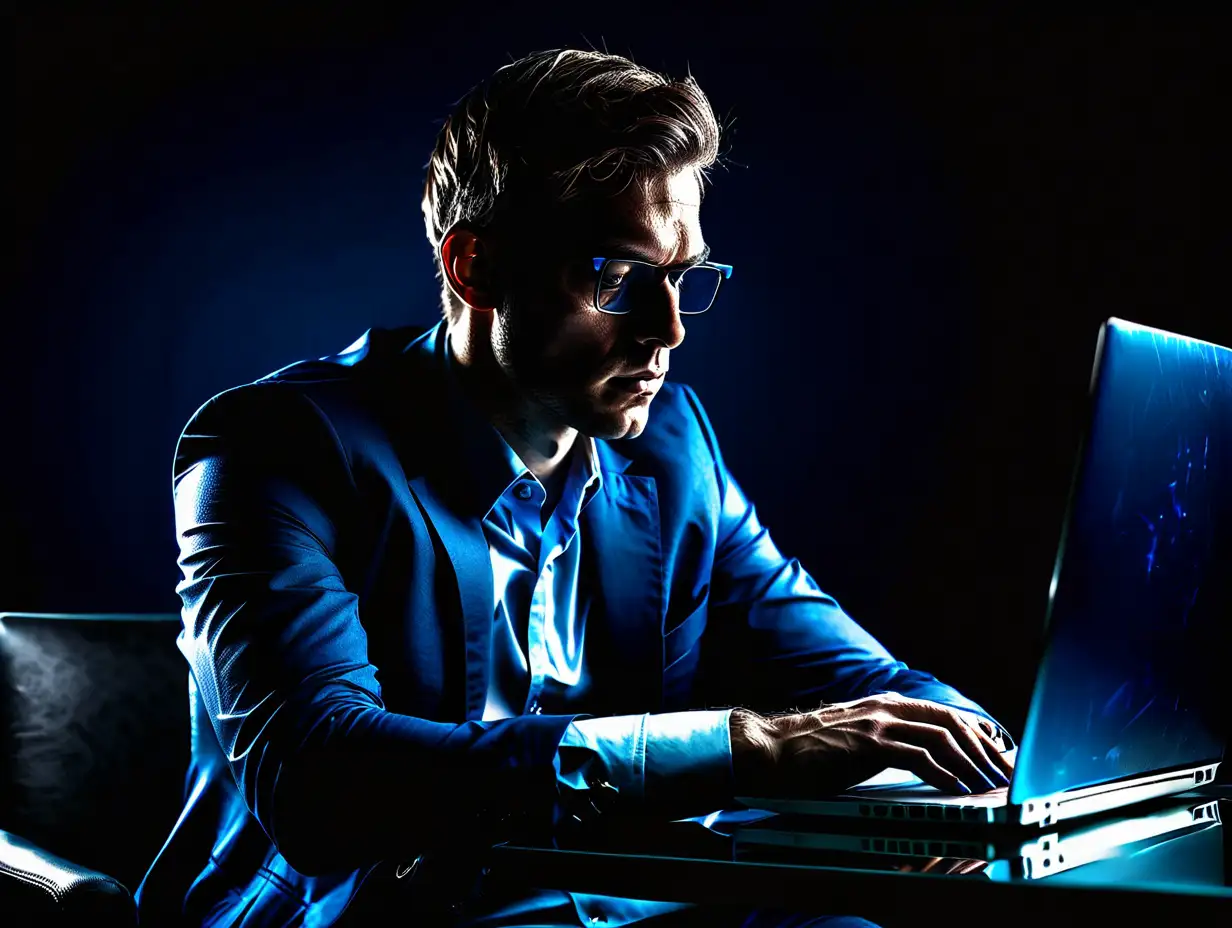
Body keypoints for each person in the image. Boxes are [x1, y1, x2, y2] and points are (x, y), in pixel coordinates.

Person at [136, 48, 1013, 928]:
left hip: (641, 903)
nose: (667, 332)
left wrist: (996, 769)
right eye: (619, 278)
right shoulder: (273, 448)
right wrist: (746, 748)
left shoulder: (676, 447)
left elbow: (867, 679)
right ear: (474, 268)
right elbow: (318, 782)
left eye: (683, 279)